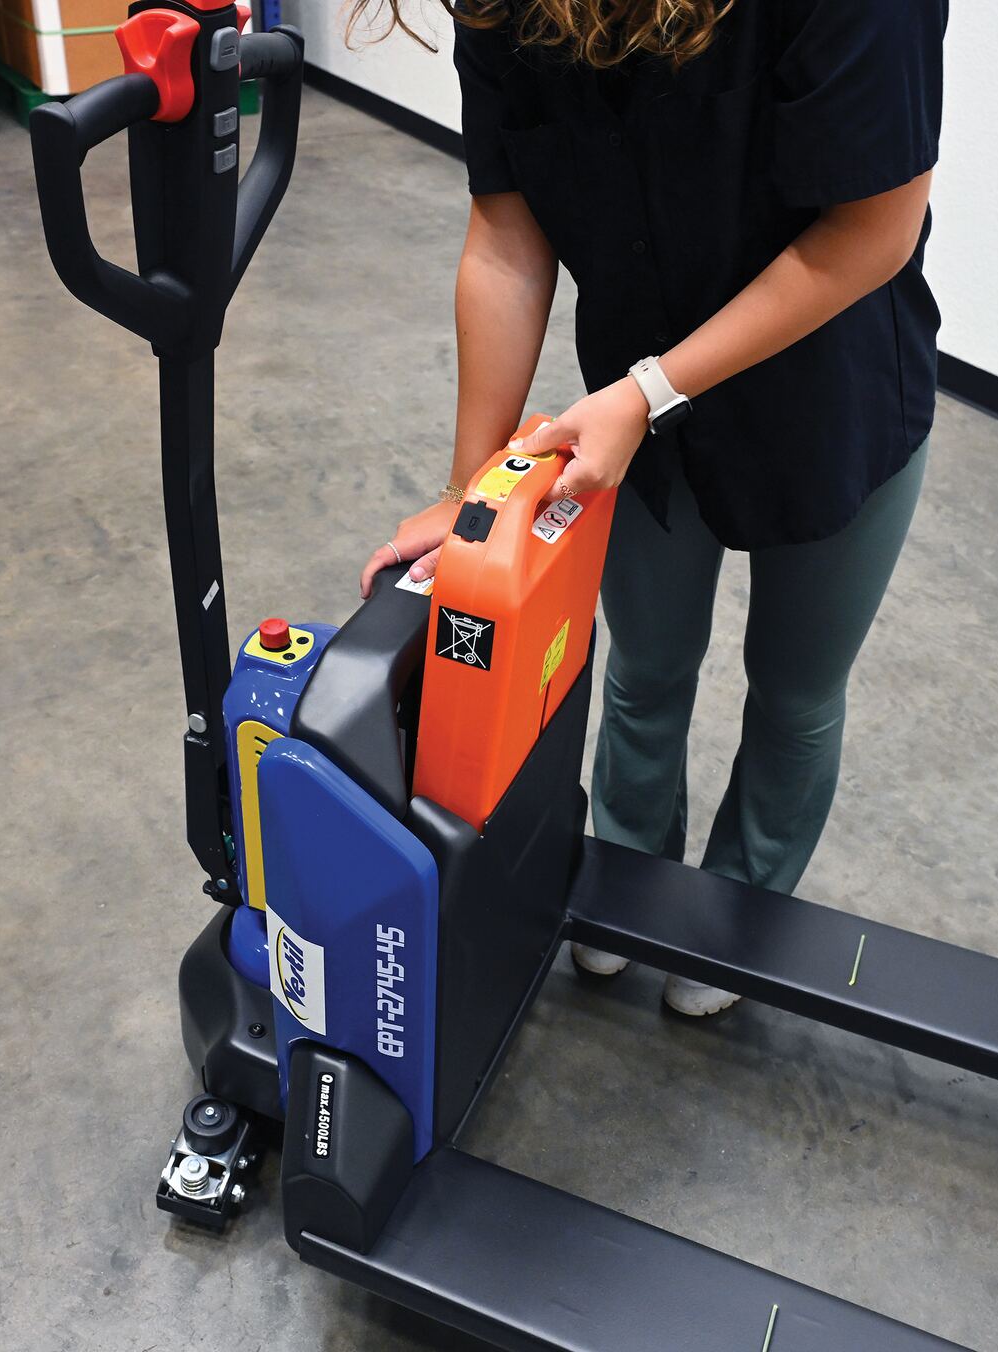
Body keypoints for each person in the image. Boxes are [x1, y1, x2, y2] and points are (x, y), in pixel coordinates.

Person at [359, 0, 947, 1015]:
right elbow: (506, 237)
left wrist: (651, 392)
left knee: (796, 694)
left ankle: (738, 916)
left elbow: (872, 233)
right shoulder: (508, 7)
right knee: (646, 663)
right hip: (631, 410)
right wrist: (467, 497)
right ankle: (629, 882)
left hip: (834, 397)